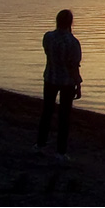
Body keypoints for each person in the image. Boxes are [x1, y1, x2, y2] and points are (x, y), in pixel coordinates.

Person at [36, 9, 83, 161]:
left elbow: (48, 55)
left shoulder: (48, 37)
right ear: (70, 22)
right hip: (66, 83)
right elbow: (73, 66)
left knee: (46, 113)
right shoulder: (73, 42)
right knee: (64, 117)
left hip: (50, 78)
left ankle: (40, 144)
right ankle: (60, 152)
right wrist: (78, 84)